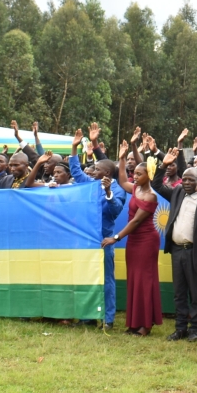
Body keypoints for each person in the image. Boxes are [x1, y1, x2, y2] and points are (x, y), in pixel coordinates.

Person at [152, 147, 197, 342]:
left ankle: (194, 328)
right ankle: (180, 328)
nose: (187, 183)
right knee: (179, 292)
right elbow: (156, 184)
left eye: (192, 180)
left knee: (196, 293)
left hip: (196, 252)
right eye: (185, 179)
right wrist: (163, 165)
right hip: (177, 251)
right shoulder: (178, 192)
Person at [104, 142, 162, 336]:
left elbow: (136, 221)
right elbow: (121, 181)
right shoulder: (135, 188)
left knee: (145, 280)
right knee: (135, 280)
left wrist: (116, 237)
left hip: (146, 241)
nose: (135, 177)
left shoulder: (151, 196)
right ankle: (134, 322)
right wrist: (121, 159)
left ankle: (146, 325)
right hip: (134, 242)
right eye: (134, 173)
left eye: (139, 174)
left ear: (149, 176)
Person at [68, 136, 127, 330]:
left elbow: (115, 210)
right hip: (85, 241)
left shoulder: (118, 189)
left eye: (96, 169)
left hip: (103, 241)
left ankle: (108, 320)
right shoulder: (90, 184)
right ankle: (87, 317)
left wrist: (108, 192)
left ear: (107, 173)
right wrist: (74, 148)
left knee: (107, 281)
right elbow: (76, 172)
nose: (92, 172)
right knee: (86, 277)